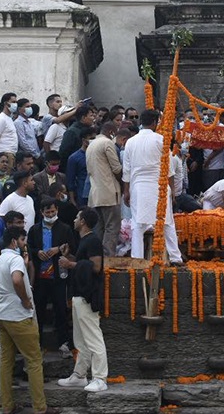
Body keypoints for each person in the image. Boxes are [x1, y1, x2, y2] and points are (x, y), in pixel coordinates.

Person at [0, 225, 57, 414]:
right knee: (34, 360)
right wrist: (25, 300)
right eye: (22, 240)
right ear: (14, 241)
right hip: (19, 316)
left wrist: (26, 262)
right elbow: (17, 280)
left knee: (6, 362)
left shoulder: (0, 260)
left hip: (2, 315)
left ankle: (7, 406)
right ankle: (40, 408)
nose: (24, 244)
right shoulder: (15, 259)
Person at [58, 207, 109, 392]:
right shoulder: (84, 240)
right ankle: (80, 375)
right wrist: (69, 257)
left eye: (77, 217)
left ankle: (100, 377)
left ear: (83, 222)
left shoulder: (93, 240)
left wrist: (70, 264)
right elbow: (83, 263)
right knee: (79, 340)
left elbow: (95, 267)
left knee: (93, 338)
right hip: (78, 294)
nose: (74, 219)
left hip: (88, 295)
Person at [124, 109, 182, 264]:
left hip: (138, 187)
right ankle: (176, 258)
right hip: (159, 187)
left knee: (138, 224)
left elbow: (126, 171)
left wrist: (126, 191)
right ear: (155, 122)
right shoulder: (161, 140)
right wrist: (172, 192)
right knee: (167, 222)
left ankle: (137, 259)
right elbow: (169, 170)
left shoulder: (131, 141)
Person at [29, 198, 75, 353]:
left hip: (58, 276)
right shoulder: (34, 230)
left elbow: (72, 247)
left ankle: (64, 342)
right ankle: (37, 344)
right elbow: (29, 248)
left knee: (61, 310)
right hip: (40, 277)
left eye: (53, 211)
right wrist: (38, 252)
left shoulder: (65, 228)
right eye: (47, 212)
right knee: (39, 312)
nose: (50, 214)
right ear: (41, 213)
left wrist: (58, 249)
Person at [85, 121, 123, 256]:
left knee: (99, 228)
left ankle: (97, 257)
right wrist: (124, 184)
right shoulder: (107, 143)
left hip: (95, 193)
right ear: (111, 132)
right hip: (109, 193)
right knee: (112, 227)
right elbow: (117, 169)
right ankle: (108, 258)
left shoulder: (91, 144)